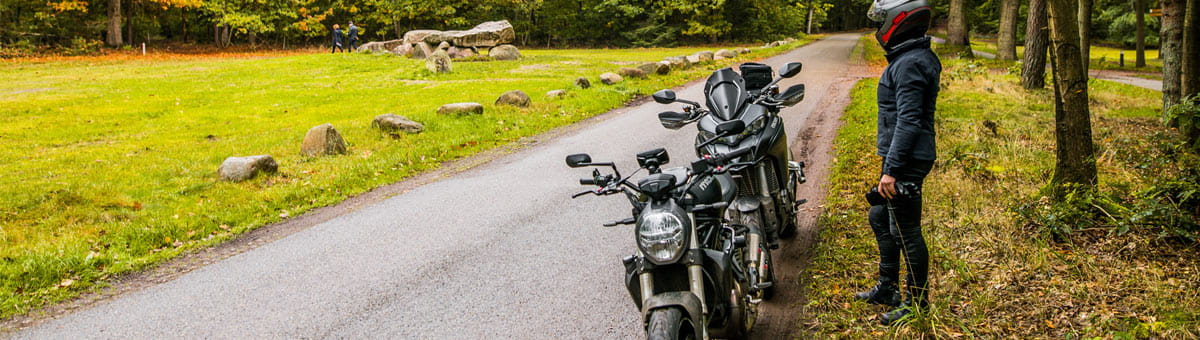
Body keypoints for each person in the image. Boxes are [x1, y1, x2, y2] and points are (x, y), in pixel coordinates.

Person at [853, 0, 941, 326]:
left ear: (897, 20)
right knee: (879, 214)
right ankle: (888, 288)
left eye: (881, 21)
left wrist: (891, 170)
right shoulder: (911, 57)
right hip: (900, 155)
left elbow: (909, 121)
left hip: (906, 159)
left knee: (906, 232)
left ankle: (916, 303)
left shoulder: (910, 63)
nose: (878, 29)